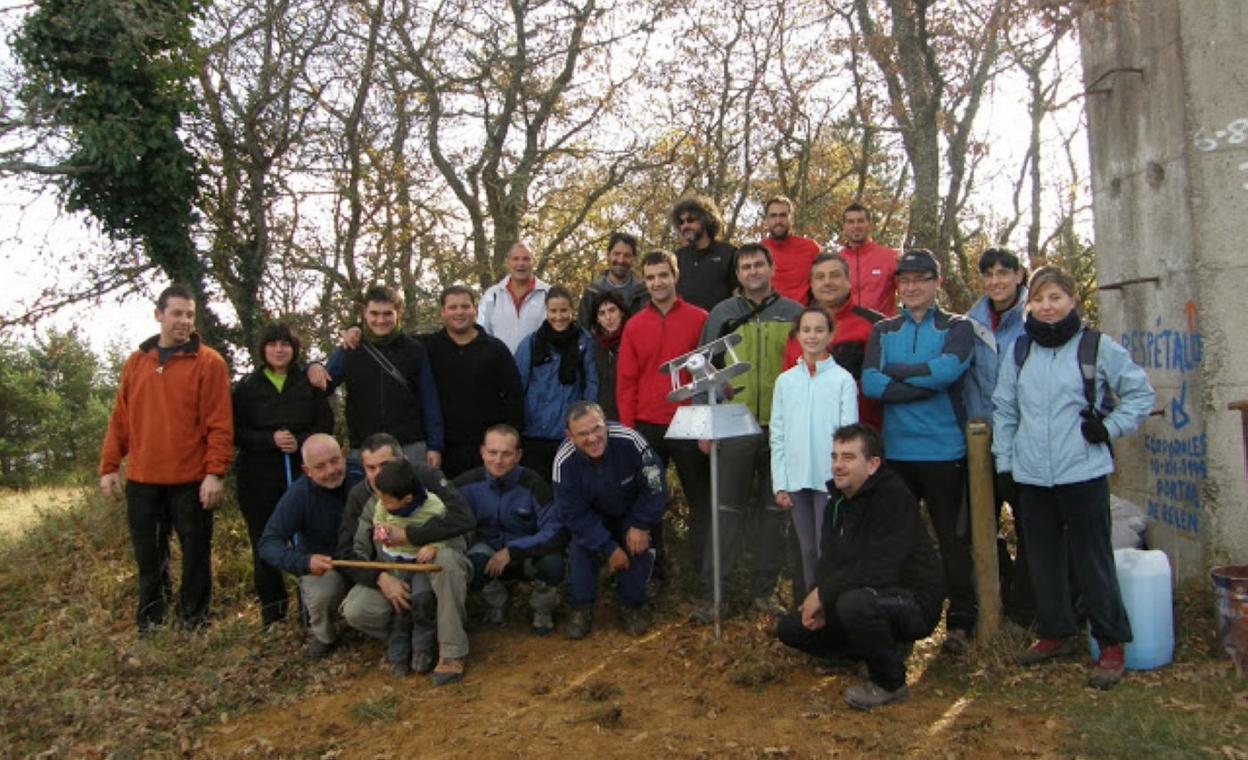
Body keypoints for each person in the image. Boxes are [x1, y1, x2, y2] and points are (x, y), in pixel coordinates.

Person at [992, 265, 1154, 690]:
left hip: (1082, 471)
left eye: (1055, 299)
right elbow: (1005, 410)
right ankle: (1056, 632)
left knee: (1092, 560)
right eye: (1040, 300)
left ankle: (1111, 643)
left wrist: (1109, 428)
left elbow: (1141, 394)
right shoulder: (1019, 351)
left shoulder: (1097, 347)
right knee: (1042, 559)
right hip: (1031, 475)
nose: (1047, 307)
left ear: (1073, 301)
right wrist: (1005, 464)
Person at [776, 424, 946, 711]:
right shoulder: (837, 504)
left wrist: (824, 593)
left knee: (854, 603)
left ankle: (890, 682)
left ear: (873, 464)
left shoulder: (893, 497)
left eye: (849, 457)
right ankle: (869, 650)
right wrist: (818, 598)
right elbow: (829, 561)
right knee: (791, 628)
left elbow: (880, 567)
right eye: (835, 457)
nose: (838, 466)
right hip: (861, 594)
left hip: (910, 602)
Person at [861, 249, 977, 654]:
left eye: (921, 279)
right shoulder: (883, 330)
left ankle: (961, 624)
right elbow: (871, 383)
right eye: (904, 280)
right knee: (901, 541)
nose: (911, 287)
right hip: (898, 453)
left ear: (936, 283)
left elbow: (951, 369)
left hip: (946, 451)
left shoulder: (958, 326)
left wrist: (898, 375)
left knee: (953, 540)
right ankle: (904, 623)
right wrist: (926, 380)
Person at [99, 284, 233, 632]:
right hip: (143, 482)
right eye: (176, 313)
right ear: (158, 315)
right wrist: (110, 466)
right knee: (149, 559)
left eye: (189, 314)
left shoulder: (209, 363)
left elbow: (220, 424)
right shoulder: (136, 362)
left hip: (191, 481)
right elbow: (121, 419)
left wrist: (215, 473)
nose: (184, 321)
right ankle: (152, 622)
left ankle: (194, 621)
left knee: (195, 558)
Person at [695, 243, 803, 621]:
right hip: (733, 424)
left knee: (775, 514)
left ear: (771, 268)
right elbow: (702, 369)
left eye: (759, 264)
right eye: (745, 266)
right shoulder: (722, 314)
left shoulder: (794, 313)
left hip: (781, 426)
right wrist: (706, 425)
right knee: (724, 511)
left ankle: (764, 592)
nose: (753, 271)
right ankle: (714, 597)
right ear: (738, 274)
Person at [336, 434, 476, 667]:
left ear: (402, 459)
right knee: (356, 610)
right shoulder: (360, 495)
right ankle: (409, 635)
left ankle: (452, 650)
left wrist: (410, 536)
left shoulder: (426, 478)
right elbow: (347, 552)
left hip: (433, 564)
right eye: (370, 468)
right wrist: (379, 578)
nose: (377, 474)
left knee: (447, 561)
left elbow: (464, 520)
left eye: (385, 465)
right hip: (393, 570)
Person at [617, 249, 712, 588]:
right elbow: (626, 382)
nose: (658, 282)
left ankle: (702, 575)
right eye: (651, 276)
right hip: (647, 425)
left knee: (701, 501)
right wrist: (630, 433)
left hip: (689, 421)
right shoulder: (634, 325)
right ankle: (654, 573)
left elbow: (708, 377)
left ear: (675, 276)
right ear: (645, 280)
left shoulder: (700, 318)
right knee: (648, 502)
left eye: (663, 275)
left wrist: (707, 424)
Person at [232, 323, 333, 627]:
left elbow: (325, 424)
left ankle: (309, 611)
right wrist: (269, 440)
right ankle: (273, 613)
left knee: (305, 539)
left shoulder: (308, 382)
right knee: (264, 541)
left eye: (285, 344)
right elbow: (236, 432)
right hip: (258, 476)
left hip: (303, 474)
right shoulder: (247, 387)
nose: (279, 350)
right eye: (273, 344)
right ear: (263, 349)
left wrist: (300, 442)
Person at [554, 402, 666, 639]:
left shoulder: (630, 441)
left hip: (631, 513)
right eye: (583, 434)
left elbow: (655, 484)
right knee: (579, 548)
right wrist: (608, 547)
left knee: (637, 546)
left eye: (597, 429)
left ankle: (632, 605)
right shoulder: (563, 462)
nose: (593, 438)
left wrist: (642, 523)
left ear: (606, 424)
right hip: (592, 518)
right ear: (570, 436)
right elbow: (572, 513)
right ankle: (581, 608)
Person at [964, 248, 1033, 622]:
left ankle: (1027, 610)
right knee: (979, 527)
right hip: (980, 442)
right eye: (988, 274)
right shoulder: (971, 323)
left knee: (1030, 526)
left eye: (1004, 273)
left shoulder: (1034, 318)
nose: (996, 281)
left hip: (1026, 439)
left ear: (1019, 276)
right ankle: (992, 605)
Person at [770, 306, 858, 599]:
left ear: (830, 334)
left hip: (829, 480)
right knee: (807, 550)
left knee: (827, 548)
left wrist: (844, 476)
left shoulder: (842, 380)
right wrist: (780, 482)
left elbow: (849, 436)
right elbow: (778, 434)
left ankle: (834, 610)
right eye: (806, 330)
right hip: (796, 479)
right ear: (797, 334)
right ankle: (812, 611)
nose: (812, 336)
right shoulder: (785, 381)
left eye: (819, 330)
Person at [312, 285, 445, 468]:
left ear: (399, 313)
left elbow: (429, 398)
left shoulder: (414, 350)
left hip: (409, 447)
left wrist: (434, 446)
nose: (380, 320)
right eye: (374, 313)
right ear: (364, 313)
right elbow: (322, 385)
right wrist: (312, 366)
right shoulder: (351, 348)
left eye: (387, 314)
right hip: (364, 449)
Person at [455, 425, 567, 635]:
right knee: (470, 563)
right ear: (482, 452)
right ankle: (497, 602)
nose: (498, 460)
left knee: (553, 563)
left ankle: (541, 608)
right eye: (492, 453)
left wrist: (513, 550)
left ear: (518, 455)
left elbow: (555, 530)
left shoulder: (534, 484)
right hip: (487, 552)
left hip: (526, 552)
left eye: (506, 454)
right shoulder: (465, 484)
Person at [258, 434, 361, 657]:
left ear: (344, 455)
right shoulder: (298, 494)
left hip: (367, 561)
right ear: (307, 471)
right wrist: (304, 562)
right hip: (327, 566)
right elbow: (268, 543)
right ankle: (325, 635)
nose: (331, 470)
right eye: (320, 467)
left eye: (335, 460)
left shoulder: (364, 474)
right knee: (322, 592)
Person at [368, 458, 469, 679]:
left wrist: (433, 546)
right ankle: (398, 653)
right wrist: (381, 532)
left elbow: (450, 532)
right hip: (397, 561)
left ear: (407, 499)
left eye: (388, 503)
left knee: (422, 600)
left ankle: (423, 648)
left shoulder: (433, 505)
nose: (383, 505)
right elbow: (377, 522)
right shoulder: (382, 502)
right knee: (400, 604)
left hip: (422, 564)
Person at [419, 286, 525, 478]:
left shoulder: (495, 349)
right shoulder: (427, 348)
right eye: (453, 307)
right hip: (443, 452)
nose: (459, 312)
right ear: (442, 312)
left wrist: (510, 441)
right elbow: (389, 337)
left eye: (465, 306)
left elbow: (514, 397)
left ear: (475, 310)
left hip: (489, 453)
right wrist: (355, 330)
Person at [782, 253, 885, 429]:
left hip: (862, 434)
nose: (827, 282)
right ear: (812, 285)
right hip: (809, 433)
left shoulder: (875, 326)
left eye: (835, 275)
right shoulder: (797, 331)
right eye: (820, 277)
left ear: (848, 280)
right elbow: (788, 388)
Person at [514, 286, 598, 479]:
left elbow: (591, 383)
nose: (558, 316)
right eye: (553, 311)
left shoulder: (584, 342)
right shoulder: (532, 343)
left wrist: (585, 421)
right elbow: (518, 385)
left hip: (569, 433)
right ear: (546, 311)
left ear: (572, 310)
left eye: (563, 311)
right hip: (534, 432)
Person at [480, 241, 551, 354]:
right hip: (501, 368)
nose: (521, 263)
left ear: (533, 262)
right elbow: (481, 333)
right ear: (507, 263)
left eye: (526, 259)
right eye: (516, 259)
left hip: (538, 368)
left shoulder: (548, 294)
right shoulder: (492, 295)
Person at [671, 195, 737, 312]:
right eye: (681, 222)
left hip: (721, 325)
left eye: (690, 220)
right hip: (687, 325)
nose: (685, 226)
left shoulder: (729, 253)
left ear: (706, 219)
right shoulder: (676, 257)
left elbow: (738, 295)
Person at [577, 231, 649, 329]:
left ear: (633, 258)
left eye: (627, 255)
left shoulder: (644, 291)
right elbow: (583, 330)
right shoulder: (593, 292)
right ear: (608, 255)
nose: (621, 260)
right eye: (617, 254)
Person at [837, 203, 898, 316]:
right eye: (851, 222)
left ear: (870, 225)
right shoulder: (835, 261)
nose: (856, 226)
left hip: (882, 330)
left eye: (860, 221)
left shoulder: (890, 257)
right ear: (844, 227)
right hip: (845, 330)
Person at [760, 195, 821, 305]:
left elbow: (821, 284)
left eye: (783, 215)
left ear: (791, 218)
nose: (778, 220)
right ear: (766, 220)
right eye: (773, 216)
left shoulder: (811, 248)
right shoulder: (758, 250)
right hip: (767, 317)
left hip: (802, 317)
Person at [589, 289, 631, 422]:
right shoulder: (592, 345)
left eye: (612, 310)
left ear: (621, 312)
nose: (608, 317)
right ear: (597, 319)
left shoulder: (632, 339)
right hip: (601, 416)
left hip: (630, 413)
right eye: (602, 313)